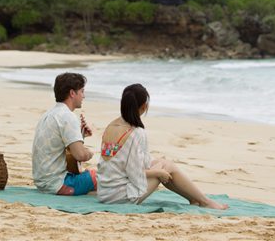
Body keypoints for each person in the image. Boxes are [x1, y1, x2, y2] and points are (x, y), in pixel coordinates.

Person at [96, 83, 228, 210]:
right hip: (120, 197)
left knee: (161, 162)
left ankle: (193, 199)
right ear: (144, 106)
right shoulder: (136, 133)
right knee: (168, 166)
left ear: (122, 103)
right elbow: (135, 174)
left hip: (105, 193)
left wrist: (158, 170)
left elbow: (120, 165)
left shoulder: (110, 126)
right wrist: (158, 173)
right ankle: (205, 201)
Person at [32, 72, 96, 196]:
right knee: (105, 177)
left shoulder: (48, 114)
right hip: (58, 184)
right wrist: (89, 152)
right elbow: (80, 155)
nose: (84, 96)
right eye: (82, 91)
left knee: (93, 181)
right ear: (72, 93)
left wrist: (79, 136)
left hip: (43, 183)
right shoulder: (68, 116)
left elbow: (64, 151)